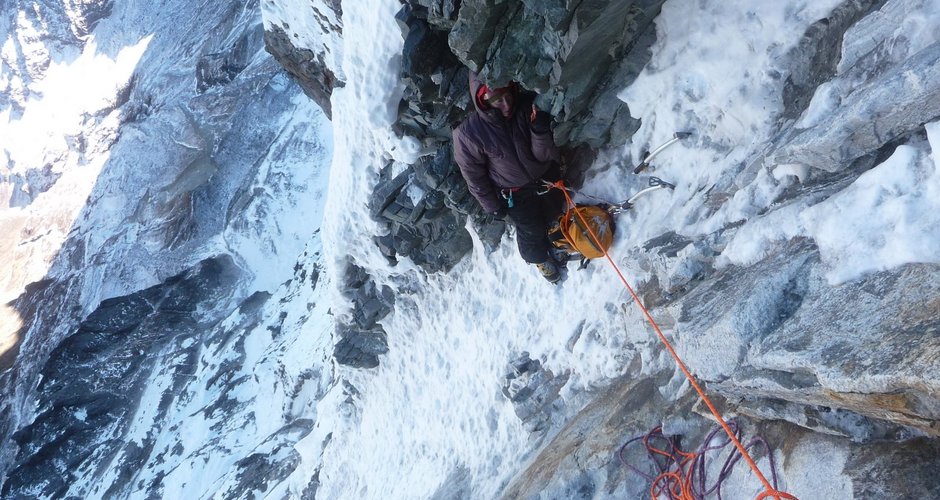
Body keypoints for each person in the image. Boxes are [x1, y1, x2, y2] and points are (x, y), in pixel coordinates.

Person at [452, 72, 565, 283]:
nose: (505, 105)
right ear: (482, 99)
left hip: (545, 176)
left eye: (507, 96)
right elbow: (473, 176)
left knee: (554, 211)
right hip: (514, 192)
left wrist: (539, 132)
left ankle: (553, 234)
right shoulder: (468, 134)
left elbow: (542, 154)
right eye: (496, 100)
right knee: (530, 229)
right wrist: (491, 205)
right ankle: (539, 258)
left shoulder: (525, 106)